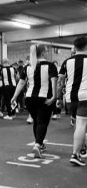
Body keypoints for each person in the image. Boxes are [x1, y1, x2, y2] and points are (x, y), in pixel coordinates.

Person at [11, 44, 58, 159]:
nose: (47, 53)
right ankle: (38, 144)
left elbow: (21, 83)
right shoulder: (51, 65)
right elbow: (54, 82)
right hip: (44, 98)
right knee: (42, 122)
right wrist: (55, 96)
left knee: (37, 121)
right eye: (46, 51)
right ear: (42, 53)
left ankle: (39, 143)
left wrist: (14, 96)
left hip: (29, 99)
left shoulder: (28, 66)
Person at [57, 37, 87, 166]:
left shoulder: (66, 62)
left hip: (70, 99)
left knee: (79, 124)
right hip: (85, 97)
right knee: (81, 124)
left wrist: (58, 98)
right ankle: (75, 154)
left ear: (75, 47)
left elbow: (60, 83)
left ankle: (83, 148)